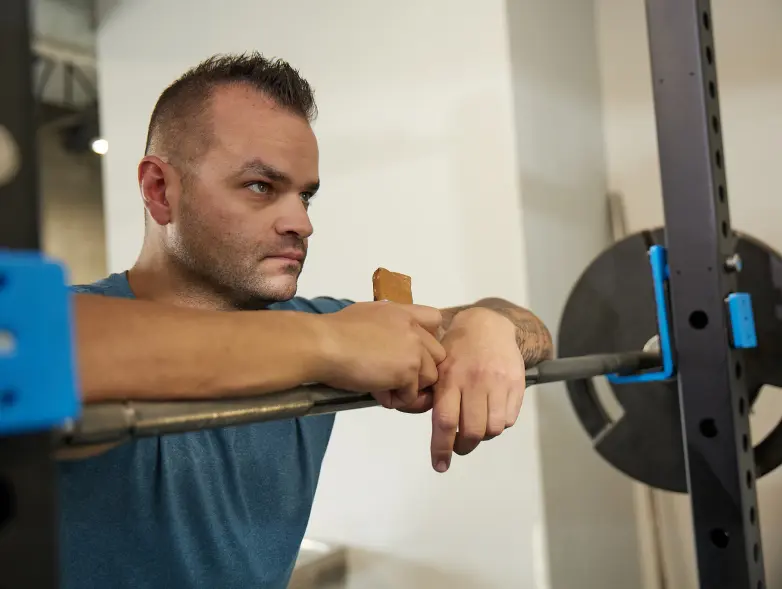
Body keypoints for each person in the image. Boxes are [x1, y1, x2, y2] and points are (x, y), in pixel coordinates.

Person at [62, 52, 554, 589]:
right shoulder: (74, 322)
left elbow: (531, 329)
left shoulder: (331, 327)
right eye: (260, 187)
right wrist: (329, 344)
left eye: (306, 196)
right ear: (160, 190)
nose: (301, 223)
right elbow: (53, 349)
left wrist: (487, 325)